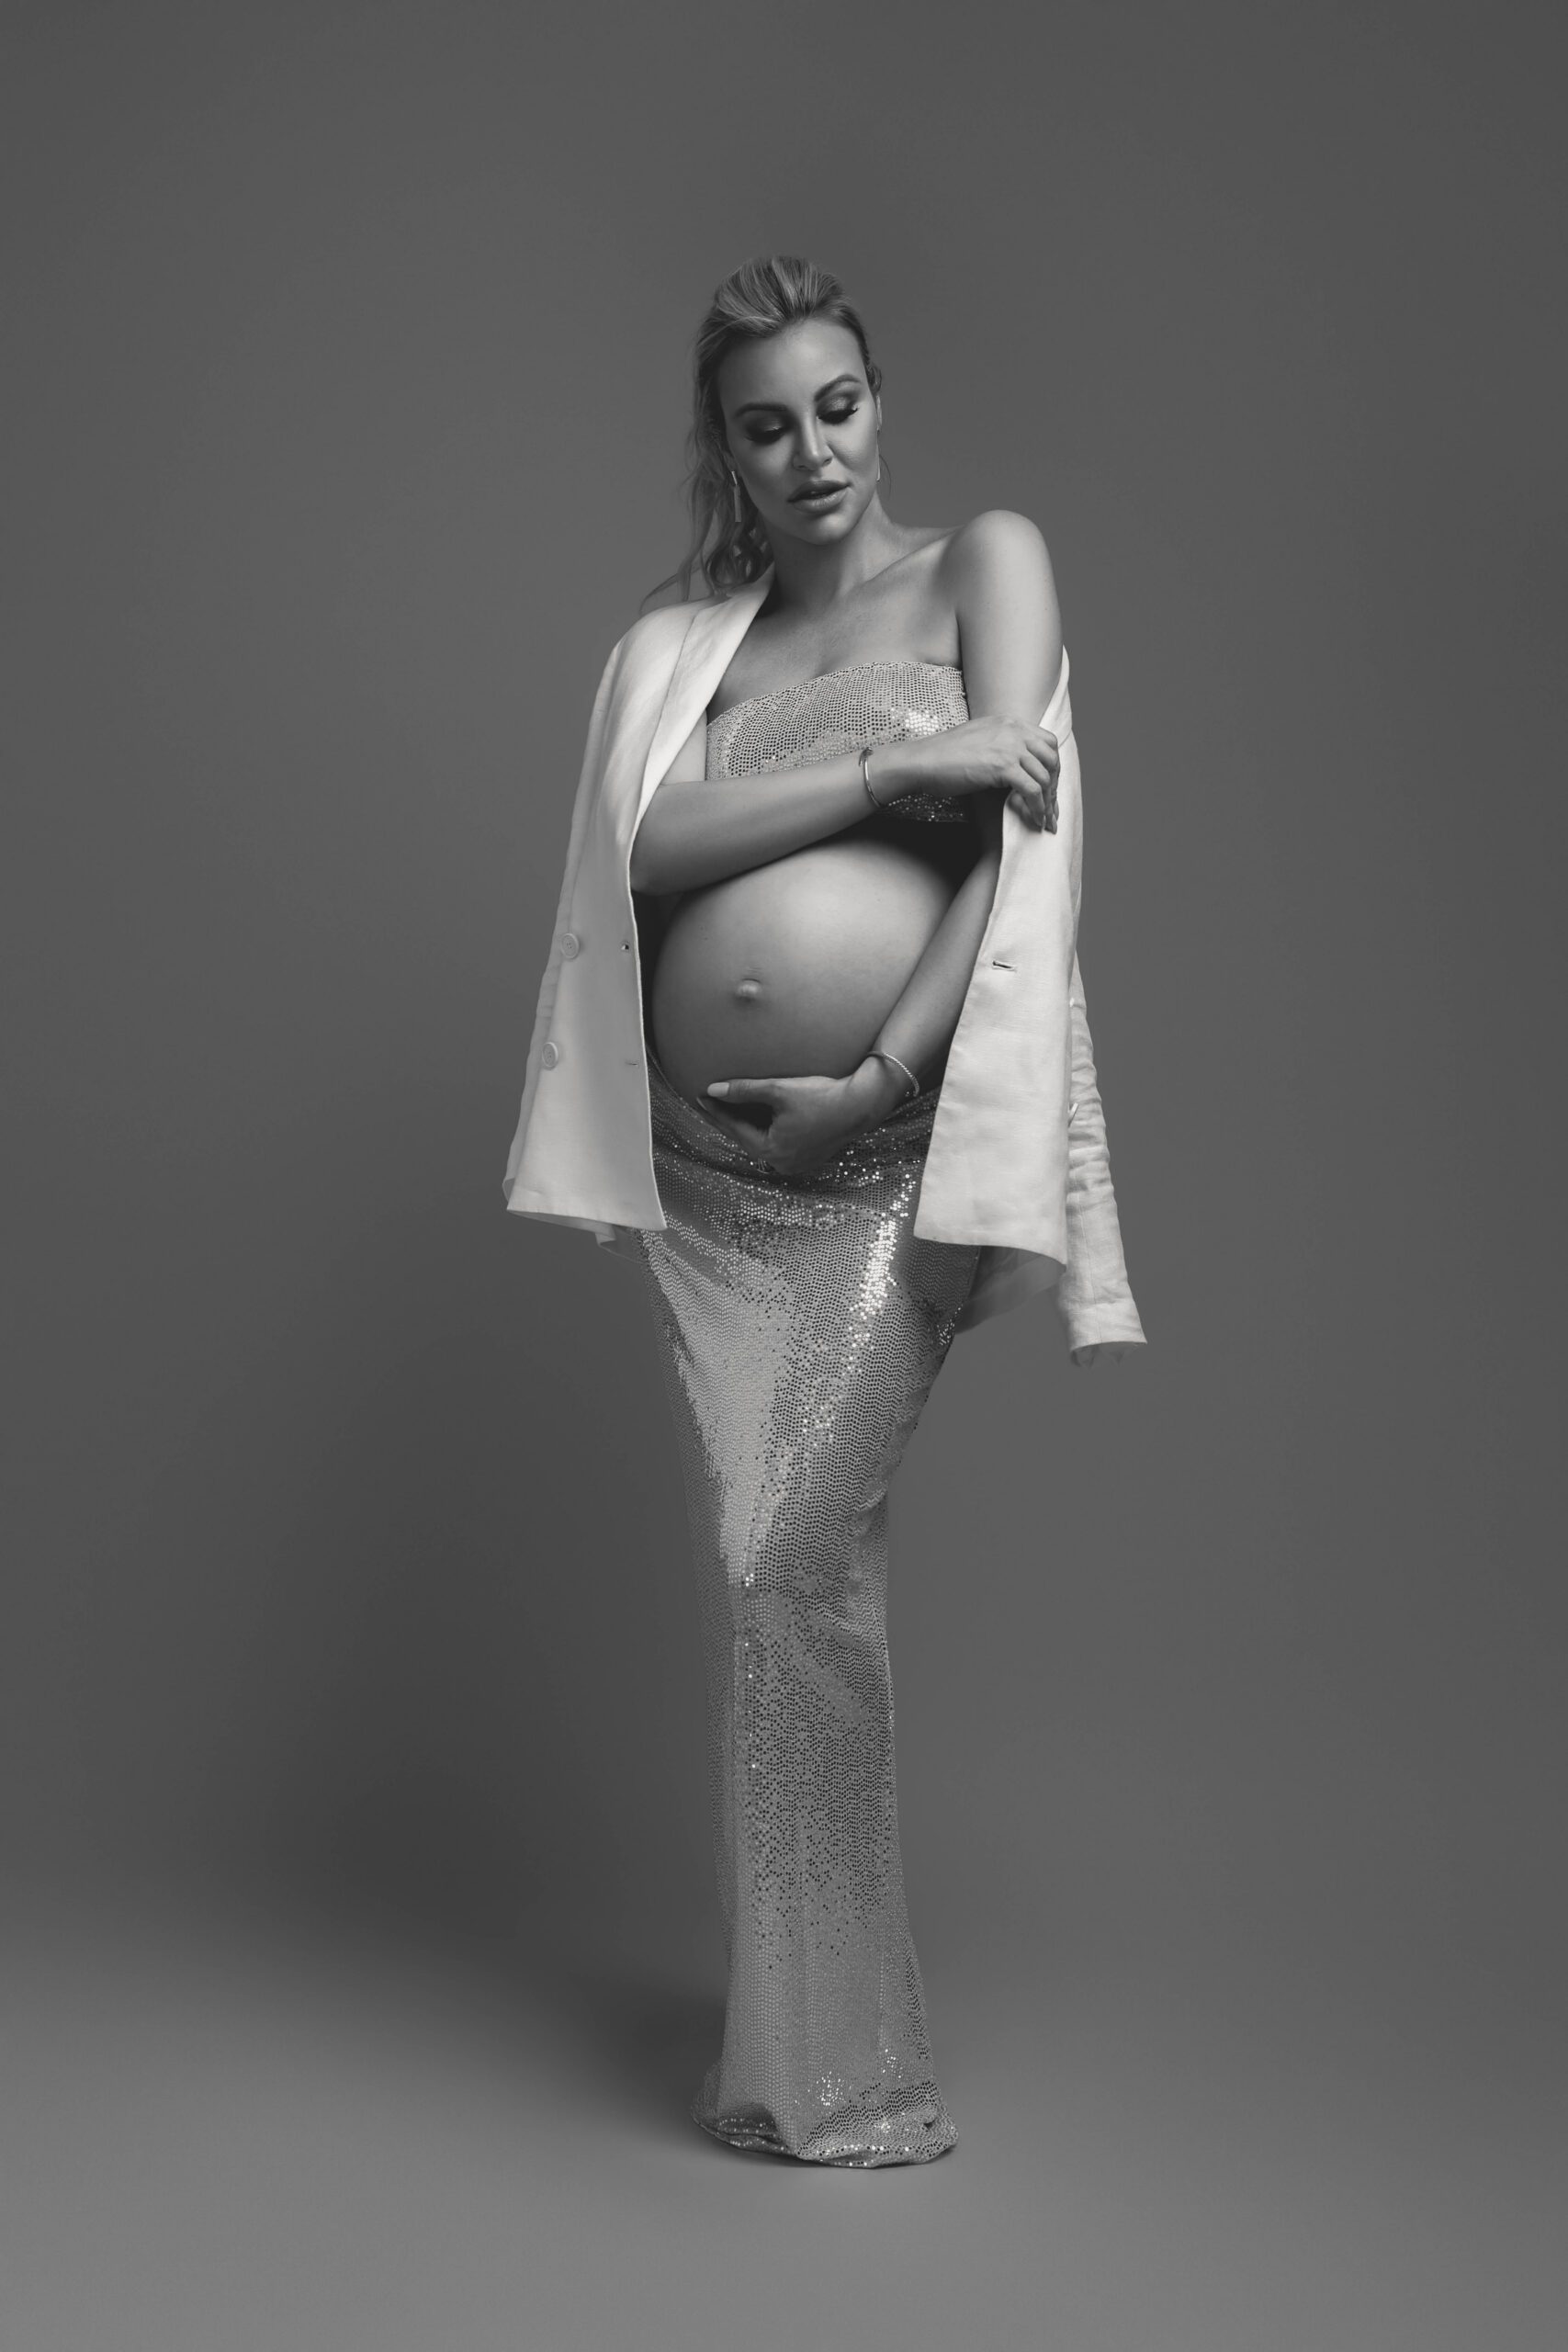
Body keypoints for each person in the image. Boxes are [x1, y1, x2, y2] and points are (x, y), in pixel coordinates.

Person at [502, 254, 1145, 2165]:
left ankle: (836, 2071)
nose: (813, 453)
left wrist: (874, 1080)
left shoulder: (981, 568)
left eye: (838, 405)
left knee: (788, 1555)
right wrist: (893, 762)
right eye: (767, 424)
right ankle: (805, 2050)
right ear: (725, 448)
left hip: (866, 1162)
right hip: (706, 1182)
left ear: (880, 400)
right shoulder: (684, 649)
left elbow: (1017, 853)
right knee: (766, 1572)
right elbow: (646, 847)